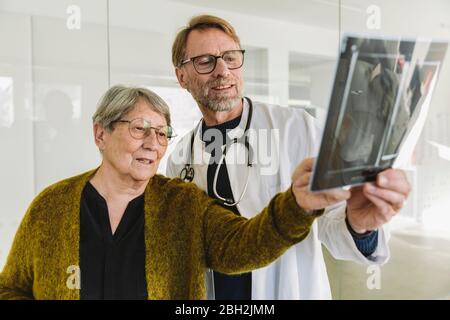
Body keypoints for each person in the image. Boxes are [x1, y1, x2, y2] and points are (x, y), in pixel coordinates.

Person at [0, 85, 345, 300]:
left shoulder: (183, 204)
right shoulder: (51, 207)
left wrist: (297, 205)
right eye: (139, 129)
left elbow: (244, 245)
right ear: (100, 134)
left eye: (163, 133)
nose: (153, 144)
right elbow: (11, 287)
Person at [166, 15, 411, 299]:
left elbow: (332, 222)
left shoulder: (297, 128)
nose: (223, 70)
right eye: (205, 61)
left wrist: (361, 227)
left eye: (231, 57)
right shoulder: (180, 157)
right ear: (182, 76)